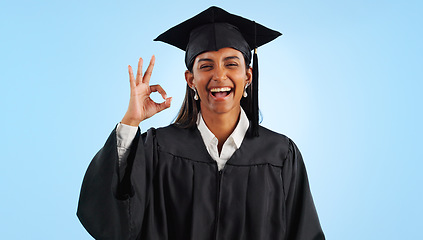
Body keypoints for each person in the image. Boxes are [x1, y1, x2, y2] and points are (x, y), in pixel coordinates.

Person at [77, 6, 325, 240]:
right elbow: (114, 223)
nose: (219, 75)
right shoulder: (158, 149)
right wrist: (131, 121)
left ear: (248, 76)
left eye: (231, 64)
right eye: (206, 65)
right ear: (191, 79)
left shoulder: (280, 155)